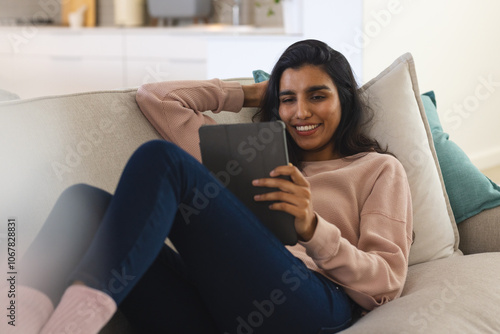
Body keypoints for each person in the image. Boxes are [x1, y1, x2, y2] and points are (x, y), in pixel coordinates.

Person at [2, 39, 413, 334]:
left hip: (310, 307)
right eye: (287, 99)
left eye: (317, 96)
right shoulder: (255, 158)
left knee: (160, 160)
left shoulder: (377, 169)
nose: (300, 112)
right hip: (218, 311)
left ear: (345, 98)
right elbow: (158, 99)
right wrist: (254, 91)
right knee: (84, 204)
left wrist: (313, 229)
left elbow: (387, 281)